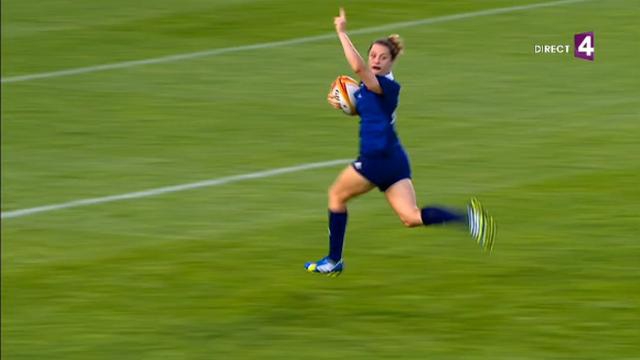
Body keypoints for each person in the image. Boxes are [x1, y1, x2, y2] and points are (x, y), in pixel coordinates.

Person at [305, 8, 496, 276]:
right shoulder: (367, 88)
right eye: (373, 55)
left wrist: (342, 32)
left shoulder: (387, 86)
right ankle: (467, 219)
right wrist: (343, 103)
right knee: (410, 217)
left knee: (336, 196)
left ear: (392, 62)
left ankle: (334, 259)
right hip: (395, 160)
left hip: (375, 159)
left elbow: (357, 67)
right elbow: (364, 107)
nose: (376, 60)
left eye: (383, 57)